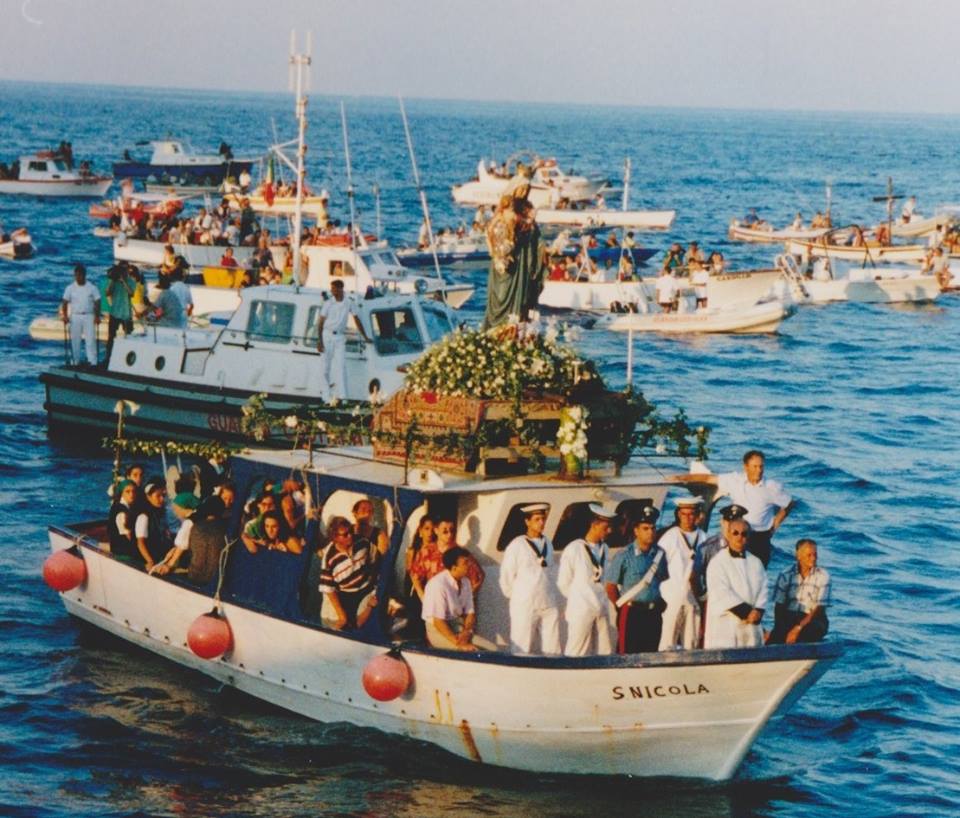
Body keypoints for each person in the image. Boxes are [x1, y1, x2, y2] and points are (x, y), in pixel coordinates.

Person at [675, 449, 793, 567]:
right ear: (746, 467)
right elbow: (708, 478)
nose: (759, 470)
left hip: (760, 537)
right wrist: (680, 478)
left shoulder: (772, 487)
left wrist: (774, 526)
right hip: (738, 534)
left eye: (761, 466)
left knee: (757, 573)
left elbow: (789, 503)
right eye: (755, 466)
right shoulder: (735, 480)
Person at [483, 176, 546, 329]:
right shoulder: (507, 206)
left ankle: (517, 326)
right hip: (509, 256)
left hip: (524, 257)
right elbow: (496, 229)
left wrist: (541, 247)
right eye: (522, 189)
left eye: (527, 190)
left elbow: (534, 232)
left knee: (523, 294)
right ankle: (498, 326)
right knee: (502, 293)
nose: (524, 193)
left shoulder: (527, 207)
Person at [499, 503, 562, 655]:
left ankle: (552, 672)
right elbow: (506, 576)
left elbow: (550, 571)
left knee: (553, 646)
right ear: (527, 522)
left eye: (543, 519)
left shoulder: (547, 543)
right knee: (522, 645)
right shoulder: (517, 545)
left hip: (547, 601)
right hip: (525, 603)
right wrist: (519, 597)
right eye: (537, 519)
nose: (541, 523)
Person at [605, 505, 669, 653]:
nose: (650, 532)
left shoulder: (660, 554)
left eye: (653, 528)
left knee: (651, 654)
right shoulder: (624, 555)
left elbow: (663, 580)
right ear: (636, 531)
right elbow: (610, 587)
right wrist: (621, 606)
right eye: (645, 528)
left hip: (653, 613)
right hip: (631, 612)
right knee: (627, 654)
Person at [557, 503, 616, 657]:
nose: (609, 531)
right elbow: (563, 582)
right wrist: (579, 599)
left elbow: (604, 578)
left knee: (604, 650)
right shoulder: (574, 548)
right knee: (577, 651)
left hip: (601, 606)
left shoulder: (605, 548)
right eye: (606, 527)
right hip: (581, 608)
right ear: (594, 525)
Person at [703, 517, 768, 649]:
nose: (740, 537)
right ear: (728, 534)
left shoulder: (756, 562)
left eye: (744, 534)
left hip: (751, 624)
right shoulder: (718, 562)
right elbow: (721, 592)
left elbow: (764, 588)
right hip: (727, 624)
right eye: (735, 533)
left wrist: (758, 611)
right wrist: (746, 612)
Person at [657, 497, 707, 651]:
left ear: (697, 515)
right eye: (684, 514)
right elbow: (658, 568)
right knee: (668, 642)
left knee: (691, 643)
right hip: (672, 598)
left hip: (693, 599)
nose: (687, 518)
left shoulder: (703, 537)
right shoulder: (670, 537)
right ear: (678, 514)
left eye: (691, 514)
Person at [422, 546, 494, 651]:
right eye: (465, 563)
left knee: (492, 649)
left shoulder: (466, 582)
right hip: (438, 630)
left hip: (458, 626)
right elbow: (438, 621)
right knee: (472, 651)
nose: (470, 566)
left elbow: (470, 613)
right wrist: (459, 644)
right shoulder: (438, 585)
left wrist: (467, 632)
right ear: (454, 567)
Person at [318, 515, 379, 630]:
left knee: (362, 621)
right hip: (344, 593)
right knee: (341, 625)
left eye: (351, 531)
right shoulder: (329, 559)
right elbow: (329, 590)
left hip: (365, 589)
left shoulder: (363, 543)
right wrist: (342, 616)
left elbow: (375, 560)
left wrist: (374, 584)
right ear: (335, 537)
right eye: (345, 534)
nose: (350, 535)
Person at [769, 539, 831, 644]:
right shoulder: (785, 574)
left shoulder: (823, 576)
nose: (813, 558)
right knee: (775, 639)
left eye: (815, 554)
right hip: (790, 616)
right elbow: (779, 605)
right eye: (809, 555)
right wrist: (778, 630)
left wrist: (798, 629)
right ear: (798, 556)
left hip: (814, 618)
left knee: (804, 635)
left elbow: (819, 609)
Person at [316, 279, 370, 401]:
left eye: (334, 289)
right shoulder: (328, 303)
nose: (332, 291)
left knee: (341, 366)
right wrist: (320, 341)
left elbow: (357, 319)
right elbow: (320, 323)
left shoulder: (349, 303)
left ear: (341, 289)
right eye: (332, 289)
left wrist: (365, 337)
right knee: (325, 367)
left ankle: (343, 397)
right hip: (327, 335)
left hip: (339, 336)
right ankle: (326, 397)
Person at [409, 515, 484, 600]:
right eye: (445, 532)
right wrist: (422, 596)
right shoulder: (426, 552)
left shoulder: (461, 554)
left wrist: (465, 600)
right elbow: (415, 576)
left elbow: (479, 577)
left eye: (452, 531)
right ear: (436, 530)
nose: (449, 535)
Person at [60, 264, 101, 367]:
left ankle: (93, 362)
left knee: (90, 339)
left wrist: (97, 316)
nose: (78, 278)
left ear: (84, 275)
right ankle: (76, 361)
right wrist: (65, 316)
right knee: (75, 340)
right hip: (75, 316)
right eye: (76, 275)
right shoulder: (70, 288)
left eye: (80, 275)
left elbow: (97, 301)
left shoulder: (91, 287)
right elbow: (64, 302)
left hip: (88, 315)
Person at [134, 481, 173, 571]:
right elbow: (140, 543)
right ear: (148, 497)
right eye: (158, 496)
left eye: (163, 496)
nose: (162, 499)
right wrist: (150, 561)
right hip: (149, 558)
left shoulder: (161, 514)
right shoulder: (144, 517)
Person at [103, 262, 135, 364]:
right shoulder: (114, 281)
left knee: (129, 337)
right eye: (122, 270)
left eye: (125, 270)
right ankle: (108, 358)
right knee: (111, 337)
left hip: (126, 313)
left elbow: (131, 293)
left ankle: (128, 360)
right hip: (115, 312)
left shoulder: (131, 281)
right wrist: (113, 280)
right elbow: (107, 293)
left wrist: (123, 281)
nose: (124, 272)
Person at [107, 479, 139, 562]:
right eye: (127, 492)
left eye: (133, 491)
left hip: (122, 550)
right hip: (123, 554)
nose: (131, 494)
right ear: (122, 493)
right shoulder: (122, 512)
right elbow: (128, 537)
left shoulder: (125, 507)